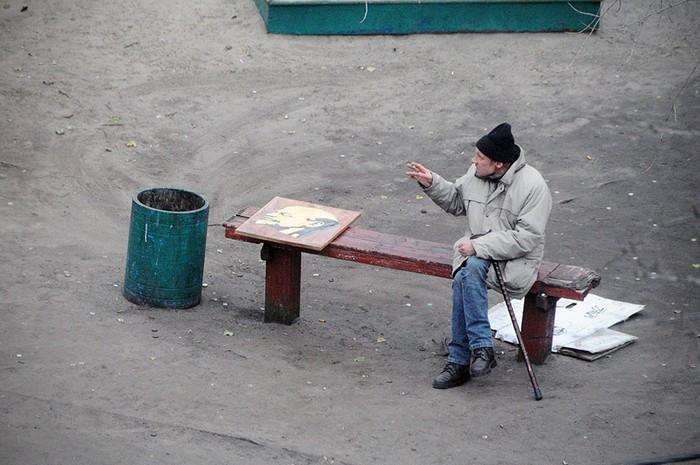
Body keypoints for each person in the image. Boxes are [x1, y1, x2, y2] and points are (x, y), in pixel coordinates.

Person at [406, 122, 552, 389]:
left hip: (515, 260)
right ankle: (481, 348)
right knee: (469, 270)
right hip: (475, 253)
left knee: (468, 270)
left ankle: (459, 361)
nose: (473, 161)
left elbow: (527, 238)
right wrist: (432, 183)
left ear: (498, 164)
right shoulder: (476, 174)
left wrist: (480, 247)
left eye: (480, 157)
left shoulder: (533, 186)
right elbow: (456, 202)